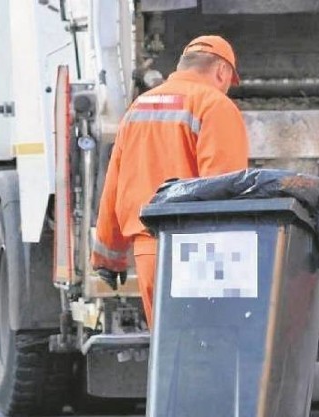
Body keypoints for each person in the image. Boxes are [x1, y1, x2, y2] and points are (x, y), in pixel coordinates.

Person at [91, 35, 250, 328]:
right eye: (230, 80)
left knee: (169, 353)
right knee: (208, 350)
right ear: (221, 71)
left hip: (148, 250)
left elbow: (114, 183)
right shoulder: (214, 106)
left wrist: (108, 256)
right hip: (201, 251)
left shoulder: (139, 107)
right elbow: (224, 189)